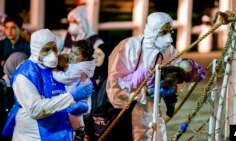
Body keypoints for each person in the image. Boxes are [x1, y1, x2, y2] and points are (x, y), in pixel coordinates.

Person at [106, 12, 206, 140]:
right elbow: (115, 83)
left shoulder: (168, 50)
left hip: (152, 108)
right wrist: (142, 93)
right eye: (163, 32)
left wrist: (171, 87)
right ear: (153, 30)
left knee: (156, 134)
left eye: (170, 32)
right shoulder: (130, 46)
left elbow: (179, 72)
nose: (168, 38)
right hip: (127, 109)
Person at [2, 29, 94, 141]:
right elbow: (35, 109)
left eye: (54, 48)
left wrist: (84, 106)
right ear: (36, 50)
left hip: (64, 135)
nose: (52, 53)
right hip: (33, 137)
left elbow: (79, 95)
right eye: (46, 49)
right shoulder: (25, 74)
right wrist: (70, 97)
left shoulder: (60, 68)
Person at [52, 39, 95, 140]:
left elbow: (64, 78)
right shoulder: (76, 64)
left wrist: (54, 71)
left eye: (76, 54)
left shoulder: (80, 70)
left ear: (84, 57)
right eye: (71, 51)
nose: (71, 55)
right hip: (72, 99)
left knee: (74, 115)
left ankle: (79, 132)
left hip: (78, 101)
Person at [0, 52, 28, 141]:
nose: (22, 69)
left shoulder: (21, 84)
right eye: (20, 65)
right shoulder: (3, 86)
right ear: (13, 63)